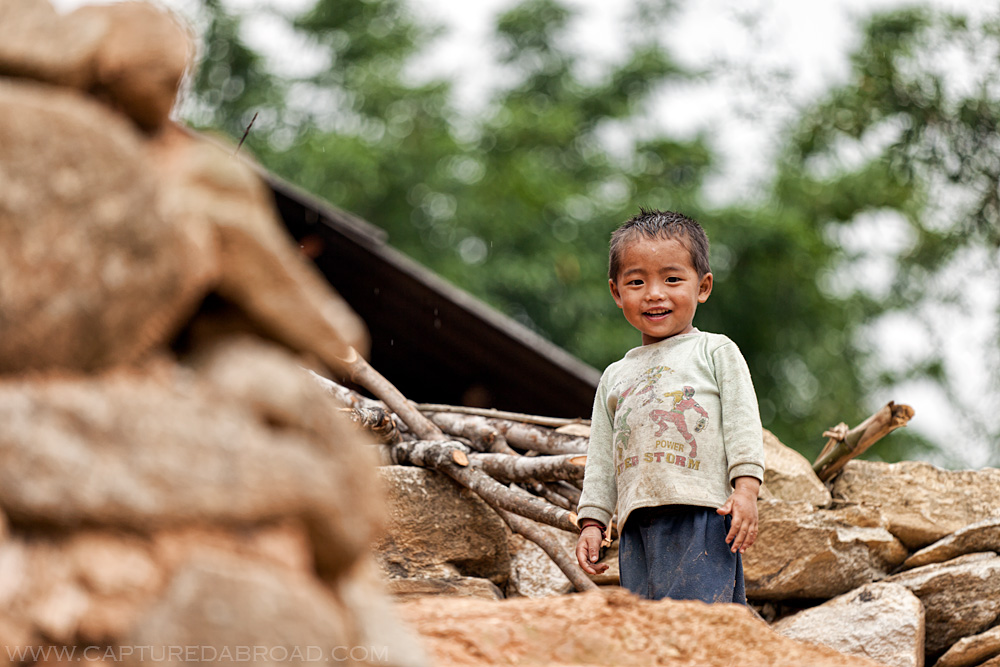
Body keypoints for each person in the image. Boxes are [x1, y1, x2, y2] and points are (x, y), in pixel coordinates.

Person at [575, 208, 765, 604]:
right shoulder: (614, 375)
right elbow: (601, 457)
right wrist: (593, 520)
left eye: (672, 279)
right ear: (616, 292)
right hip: (634, 523)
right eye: (637, 281)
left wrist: (745, 491)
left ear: (703, 286)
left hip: (701, 514)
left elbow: (743, 423)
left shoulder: (714, 351)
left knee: (700, 620)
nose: (655, 294)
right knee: (648, 627)